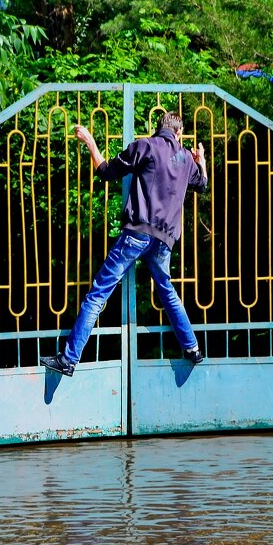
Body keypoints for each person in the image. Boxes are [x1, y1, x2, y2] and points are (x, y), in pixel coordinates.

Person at [41, 112, 208, 377]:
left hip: (137, 234)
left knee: (98, 293)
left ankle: (69, 359)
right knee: (167, 292)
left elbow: (106, 171)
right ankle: (193, 349)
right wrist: (202, 161)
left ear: (159, 129)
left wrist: (91, 142)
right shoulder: (186, 158)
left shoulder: (146, 146)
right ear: (178, 134)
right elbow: (203, 184)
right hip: (164, 241)